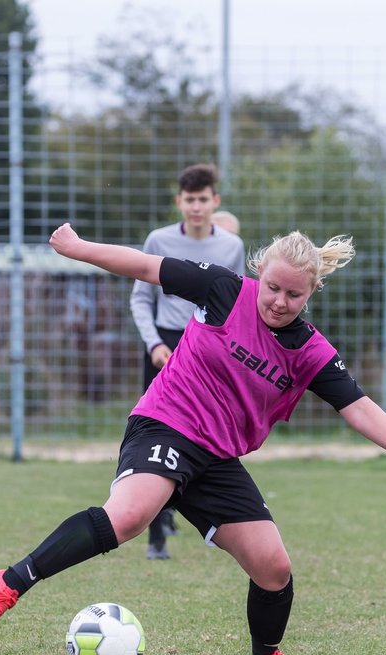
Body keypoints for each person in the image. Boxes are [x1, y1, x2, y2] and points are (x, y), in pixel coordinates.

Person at [0, 222, 386, 655]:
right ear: (258, 273)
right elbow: (144, 266)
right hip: (166, 423)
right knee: (131, 516)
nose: (280, 301)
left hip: (216, 458)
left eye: (294, 294)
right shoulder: (224, 290)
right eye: (273, 287)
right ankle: (8, 583)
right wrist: (77, 249)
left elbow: (359, 407)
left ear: (311, 293)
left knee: (273, 567)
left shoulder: (310, 351)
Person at [129, 164, 245, 561]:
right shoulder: (158, 240)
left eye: (203, 199)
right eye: (189, 200)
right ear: (179, 202)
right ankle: (155, 536)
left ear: (215, 201)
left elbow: (236, 306)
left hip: (208, 351)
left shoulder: (231, 246)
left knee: (205, 435)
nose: (196, 207)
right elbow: (141, 298)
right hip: (166, 346)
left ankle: (201, 512)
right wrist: (154, 343)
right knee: (156, 439)